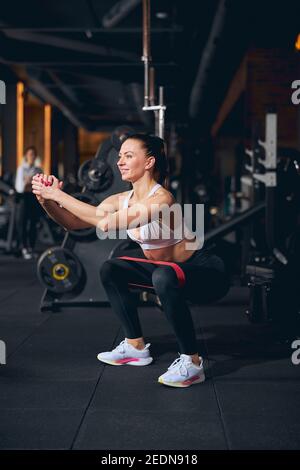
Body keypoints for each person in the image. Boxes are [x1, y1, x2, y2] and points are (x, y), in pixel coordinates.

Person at [31, 134, 230, 388]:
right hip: (166, 270)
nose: (120, 162)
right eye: (120, 156)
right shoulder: (120, 201)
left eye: (128, 156)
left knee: (163, 275)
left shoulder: (162, 200)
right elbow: (75, 223)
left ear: (148, 162)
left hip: (205, 272)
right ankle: (135, 346)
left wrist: (58, 195)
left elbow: (106, 223)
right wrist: (47, 201)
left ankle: (192, 363)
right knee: (112, 269)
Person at [15, 146, 43, 259]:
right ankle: (23, 248)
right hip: (23, 198)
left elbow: (41, 187)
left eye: (33, 154)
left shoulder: (38, 170)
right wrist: (27, 183)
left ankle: (31, 247)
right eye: (30, 154)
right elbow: (19, 187)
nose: (31, 156)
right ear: (26, 156)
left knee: (33, 224)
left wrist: (28, 182)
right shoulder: (21, 169)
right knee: (21, 223)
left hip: (34, 199)